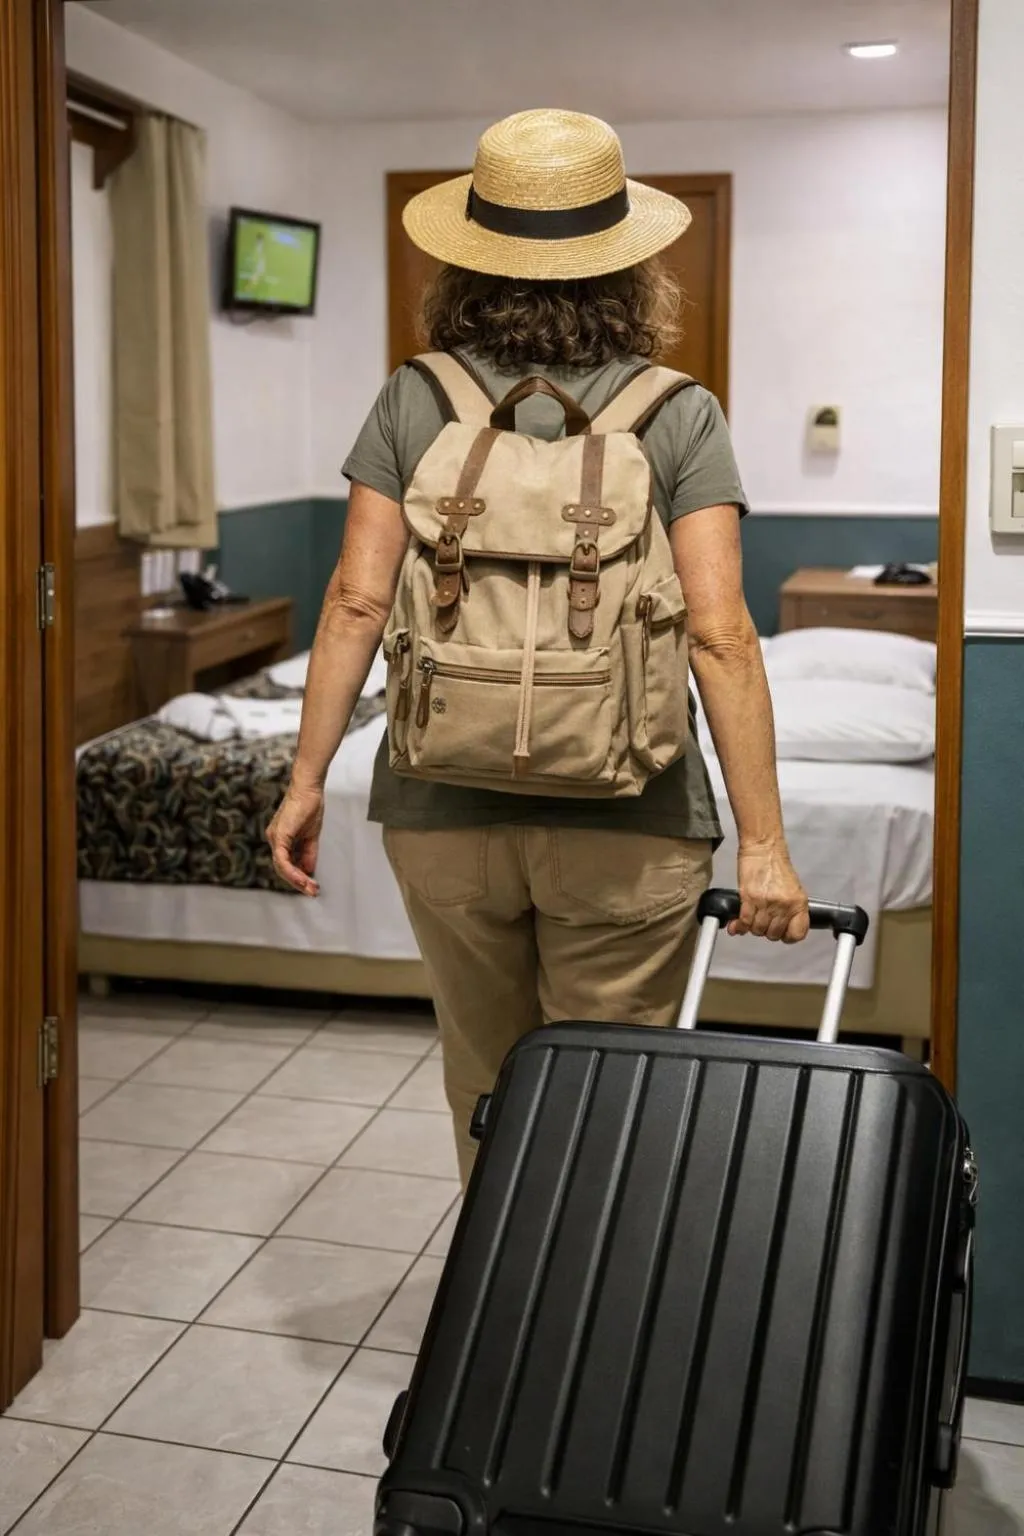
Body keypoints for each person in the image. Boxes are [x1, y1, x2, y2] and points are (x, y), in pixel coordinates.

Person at [268, 109, 809, 1187]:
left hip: (441, 815)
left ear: (466, 261)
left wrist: (305, 781)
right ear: (629, 270)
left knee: (484, 1083)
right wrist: (762, 845)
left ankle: (495, 1329)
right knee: (609, 1095)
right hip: (633, 822)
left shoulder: (414, 398)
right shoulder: (678, 411)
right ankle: (593, 1335)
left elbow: (353, 606)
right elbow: (721, 633)